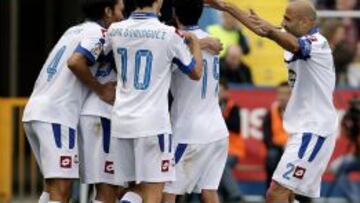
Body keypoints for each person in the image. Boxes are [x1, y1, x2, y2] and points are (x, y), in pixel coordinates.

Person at [206, 0, 338, 202]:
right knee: (289, 195)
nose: (283, 23)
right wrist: (226, 7)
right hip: (302, 130)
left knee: (276, 192)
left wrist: (270, 30)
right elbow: (262, 29)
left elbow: (288, 42)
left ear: (304, 22)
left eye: (287, 19)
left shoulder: (317, 43)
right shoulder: (294, 35)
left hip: (314, 130)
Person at [22, 0, 123, 202]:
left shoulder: (73, 31)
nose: (122, 17)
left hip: (36, 110)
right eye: (120, 10)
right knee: (62, 188)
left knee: (52, 188)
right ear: (107, 11)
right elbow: (75, 62)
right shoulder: (99, 34)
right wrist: (101, 89)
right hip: (57, 114)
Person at [107, 0, 203, 202]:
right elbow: (195, 72)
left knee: (130, 189)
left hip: (121, 122)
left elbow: (103, 57)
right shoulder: (169, 34)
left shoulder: (115, 30)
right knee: (153, 193)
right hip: (153, 125)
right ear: (158, 1)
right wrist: (195, 43)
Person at [162, 0, 228, 203]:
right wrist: (204, 43)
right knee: (209, 193)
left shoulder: (175, 41)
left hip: (190, 132)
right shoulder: (211, 39)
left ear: (174, 12)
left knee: (167, 191)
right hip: (217, 129)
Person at [218, 78, 245, 203]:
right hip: (215, 149)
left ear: (226, 92)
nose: (218, 93)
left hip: (232, 150)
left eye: (221, 90)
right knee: (214, 166)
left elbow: (236, 126)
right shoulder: (209, 107)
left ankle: (236, 195)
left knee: (221, 164)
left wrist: (218, 117)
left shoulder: (233, 108)